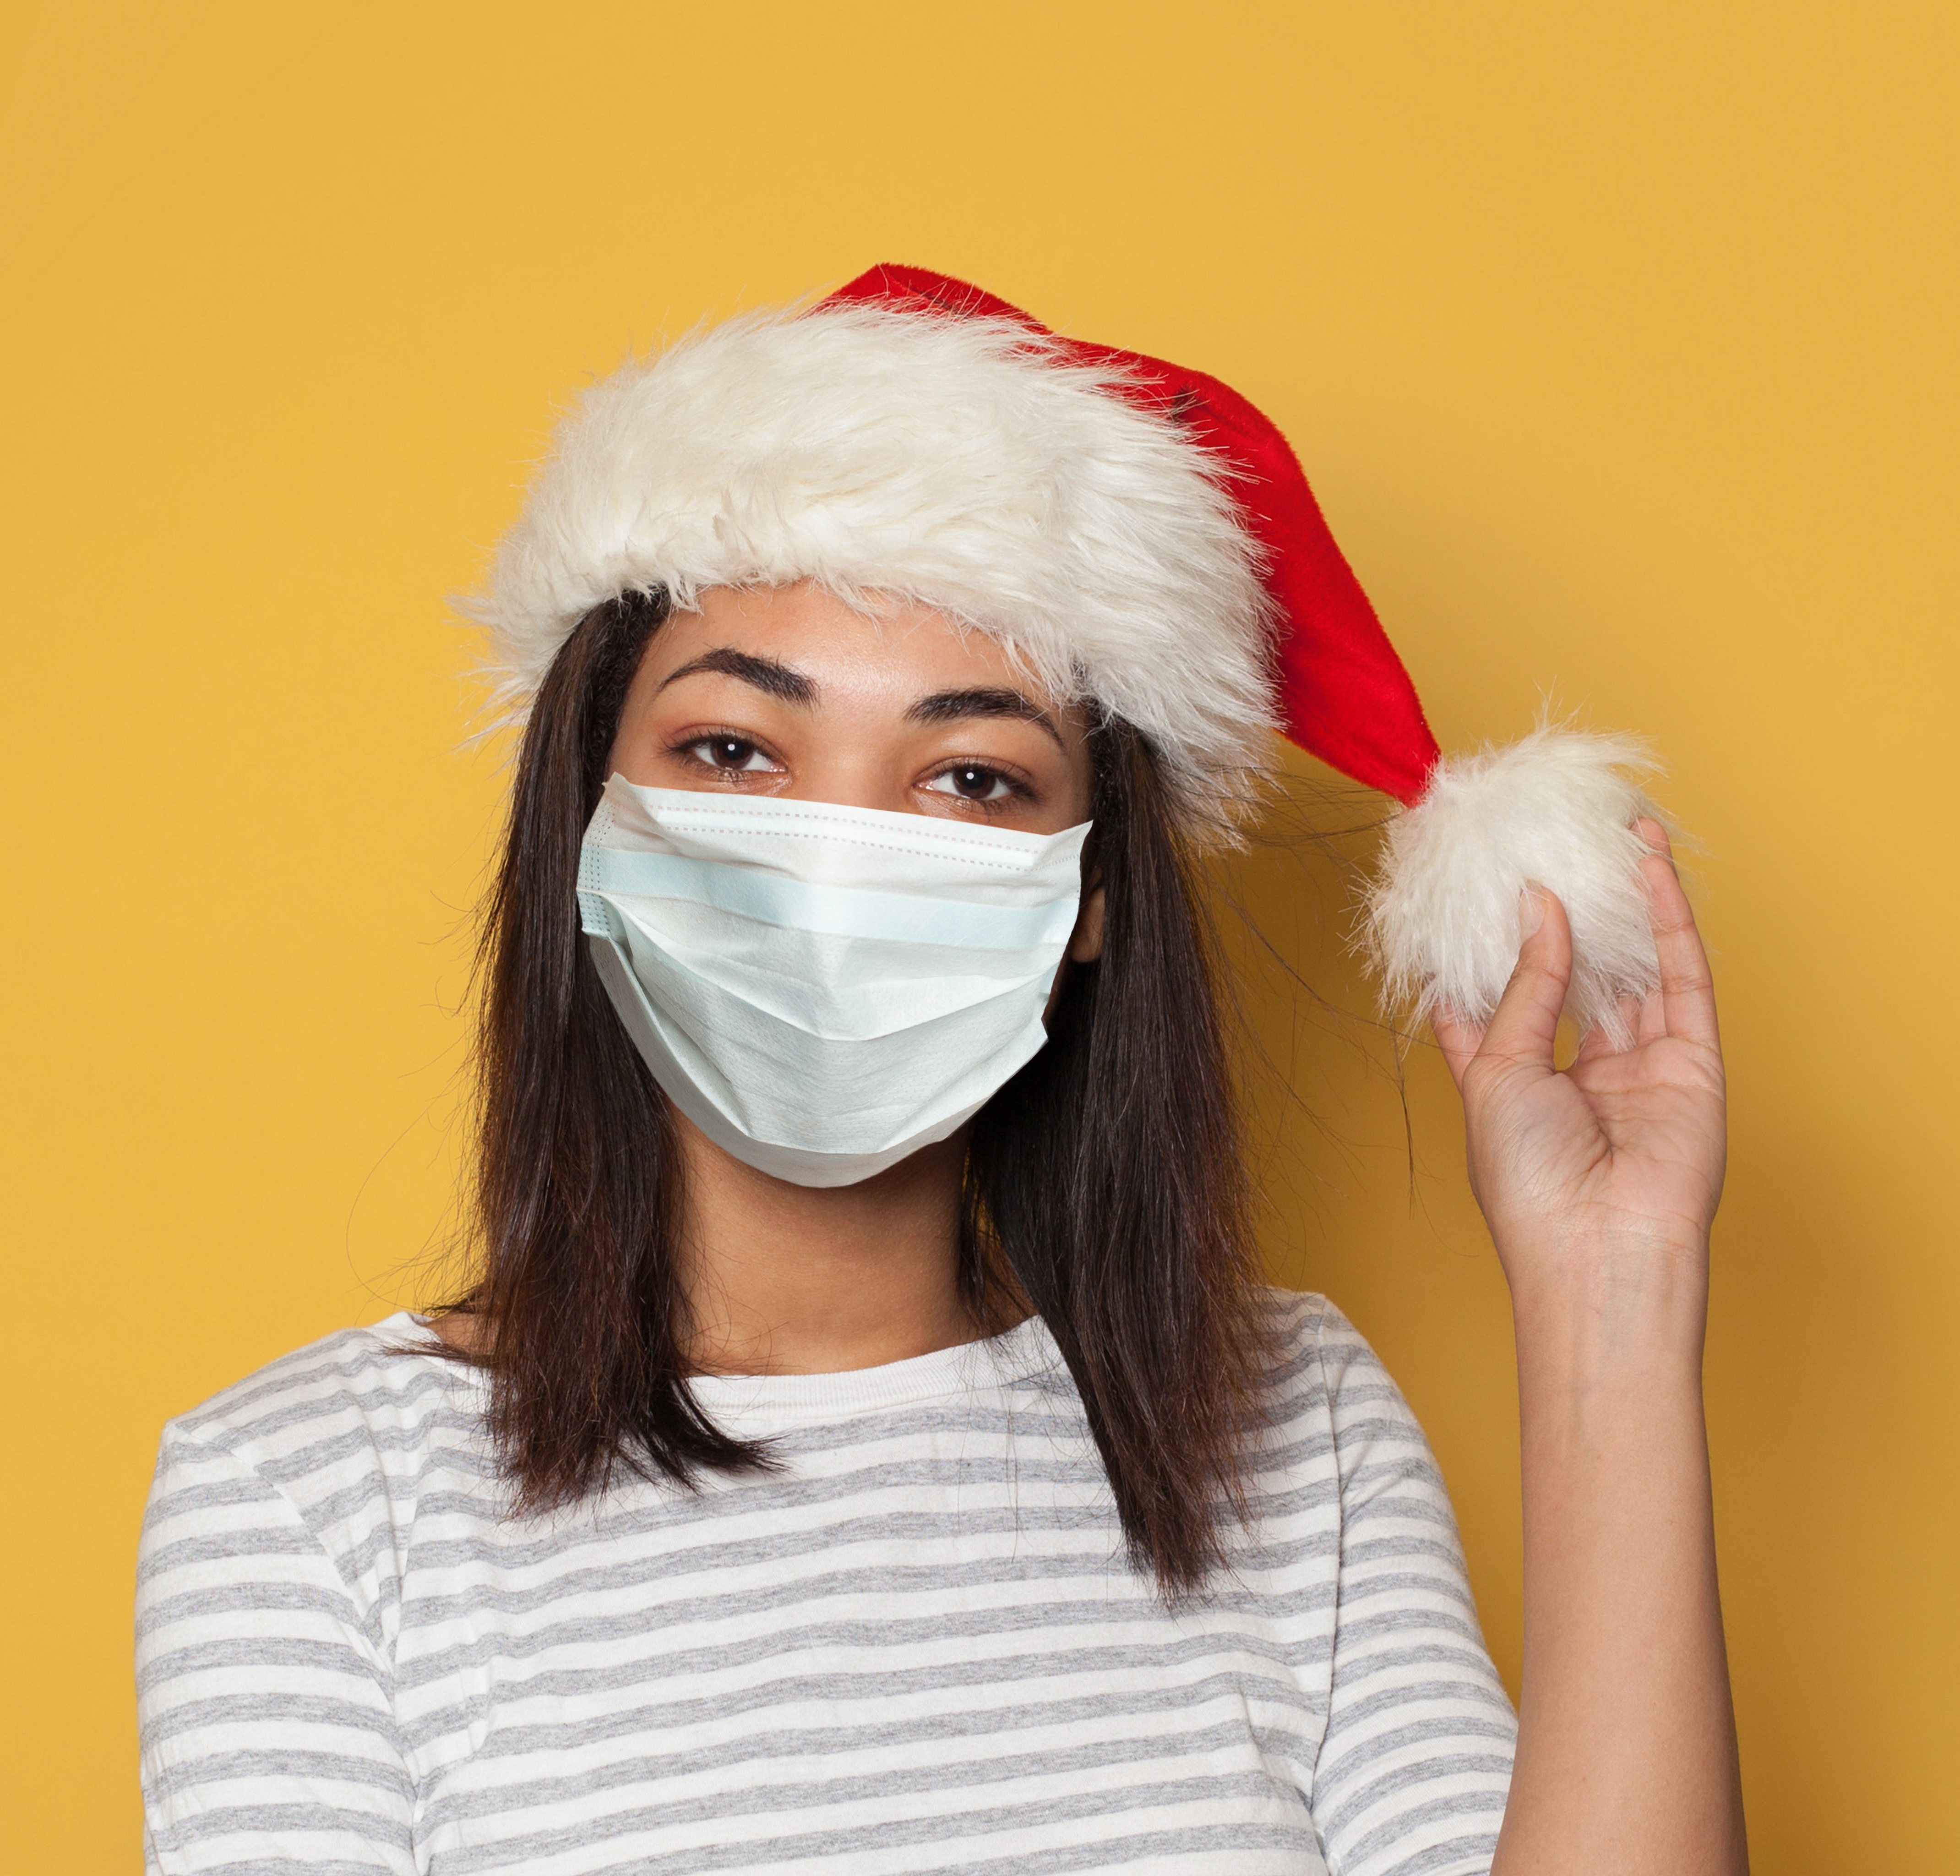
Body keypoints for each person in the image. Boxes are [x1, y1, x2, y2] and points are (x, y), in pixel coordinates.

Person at [134, 267, 1744, 1876]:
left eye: (973, 777)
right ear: (586, 824)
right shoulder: (309, 1500)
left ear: (1091, 902)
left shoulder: (1290, 1426)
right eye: (732, 750)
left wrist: (1614, 1284)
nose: (838, 853)